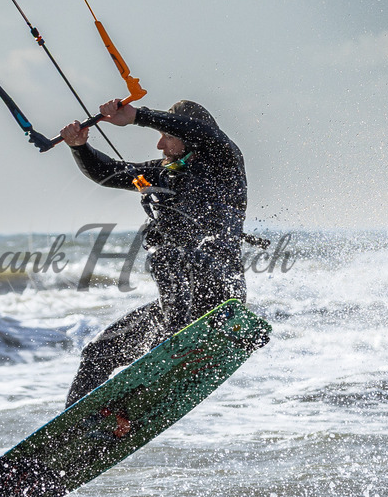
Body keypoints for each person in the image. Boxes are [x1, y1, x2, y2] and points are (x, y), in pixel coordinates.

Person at [59, 97, 247, 407]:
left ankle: (180, 347)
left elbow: (203, 132)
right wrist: (79, 148)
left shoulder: (223, 160)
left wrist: (138, 116)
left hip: (220, 294)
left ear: (189, 137)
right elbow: (107, 170)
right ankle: (73, 432)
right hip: (178, 306)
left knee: (165, 254)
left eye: (167, 136)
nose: (160, 145)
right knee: (98, 353)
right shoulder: (161, 173)